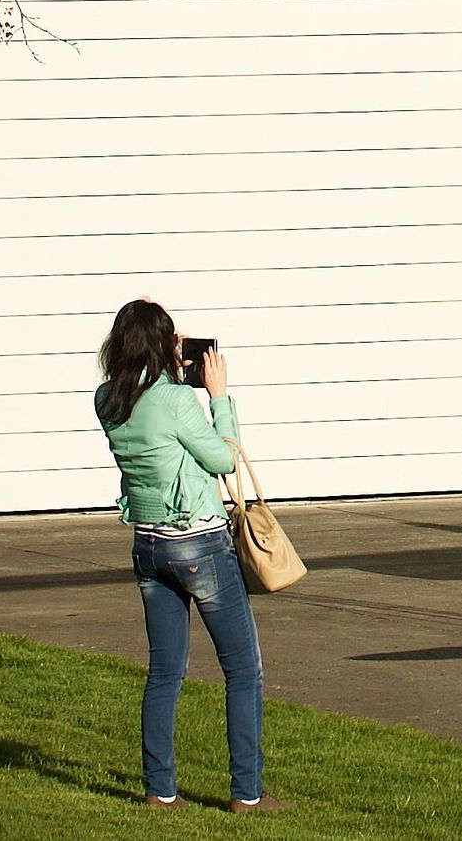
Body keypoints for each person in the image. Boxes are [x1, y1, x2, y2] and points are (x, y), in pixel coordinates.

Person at [96, 299, 271, 811]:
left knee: (165, 671)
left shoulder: (107, 399)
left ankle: (160, 790)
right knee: (242, 669)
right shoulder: (174, 401)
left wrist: (169, 368)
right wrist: (219, 397)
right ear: (161, 345)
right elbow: (221, 456)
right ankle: (246, 793)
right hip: (198, 542)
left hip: (148, 544)